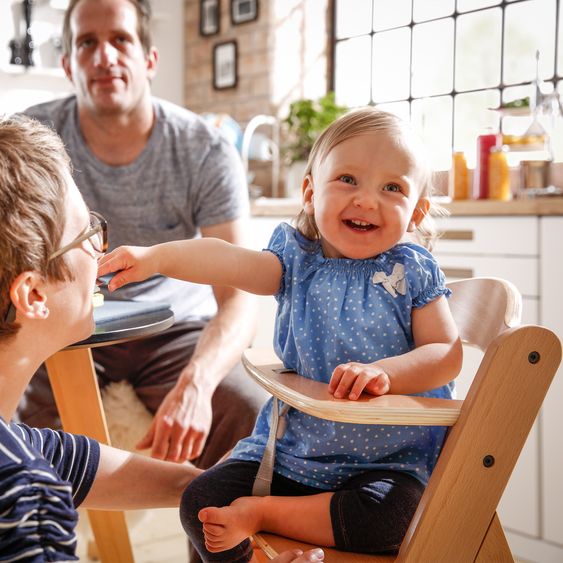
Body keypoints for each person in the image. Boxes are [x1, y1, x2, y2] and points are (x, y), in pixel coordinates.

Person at [97, 107, 463, 561]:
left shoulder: (411, 270)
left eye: (392, 187)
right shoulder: (294, 261)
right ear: (310, 192)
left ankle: (265, 514)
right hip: (293, 454)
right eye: (347, 179)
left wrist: (384, 373)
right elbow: (225, 258)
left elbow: (445, 353)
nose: (367, 200)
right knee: (200, 503)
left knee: (396, 520)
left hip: (385, 466)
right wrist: (158, 258)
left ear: (416, 212)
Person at [0, 114, 323, 563]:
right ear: (33, 294)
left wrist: (214, 489)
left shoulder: (17, 449)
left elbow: (68, 460)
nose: (100, 251)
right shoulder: (25, 502)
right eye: (87, 235)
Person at [18, 0, 267, 475]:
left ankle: (219, 542)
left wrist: (198, 381)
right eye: (86, 43)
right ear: (68, 64)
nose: (104, 57)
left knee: (247, 412)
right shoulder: (30, 140)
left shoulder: (205, 150)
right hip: (66, 328)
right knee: (19, 440)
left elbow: (240, 297)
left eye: (120, 40)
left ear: (150, 60)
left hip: (174, 330)